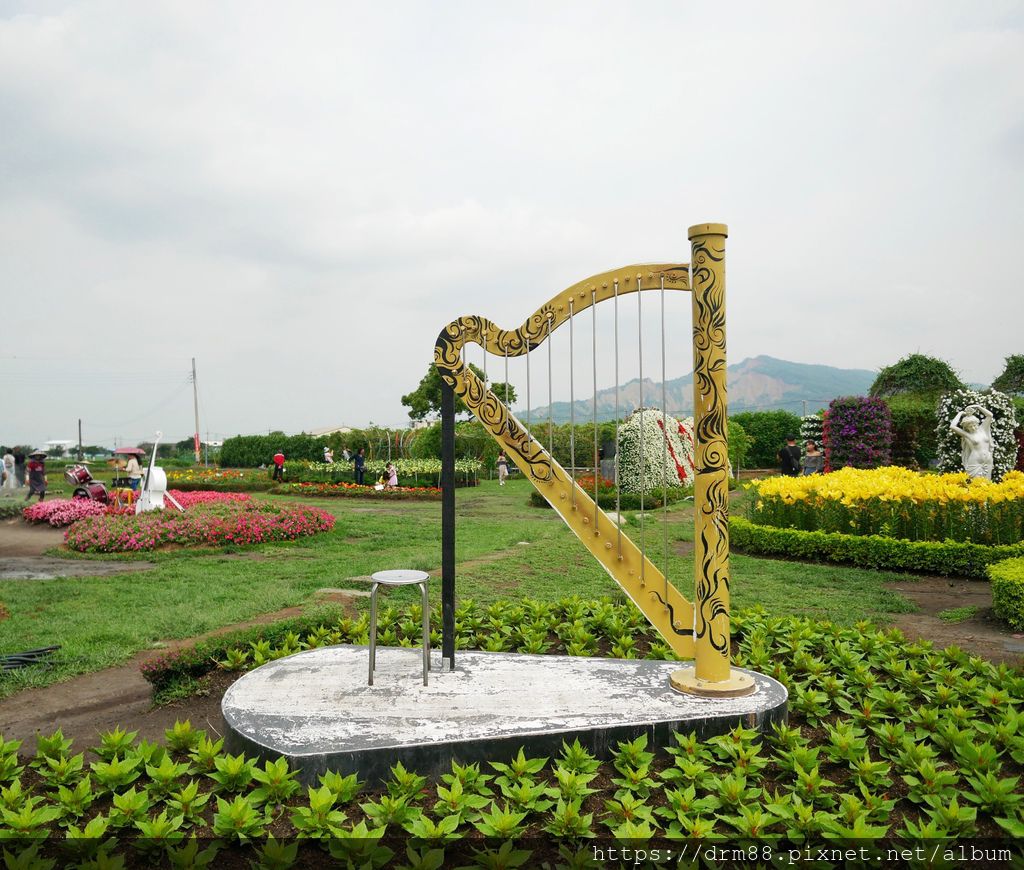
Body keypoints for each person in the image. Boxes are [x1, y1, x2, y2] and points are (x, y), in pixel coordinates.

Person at [950, 405, 995, 480]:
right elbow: (952, 426)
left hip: (988, 460)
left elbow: (990, 415)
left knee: (988, 484)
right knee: (976, 485)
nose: (973, 428)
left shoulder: (983, 428)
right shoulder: (967, 435)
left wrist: (978, 406)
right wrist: (960, 413)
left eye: (974, 425)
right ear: (966, 428)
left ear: (977, 423)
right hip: (975, 462)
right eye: (970, 427)